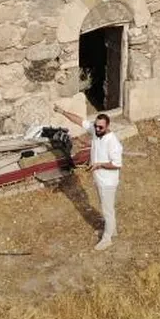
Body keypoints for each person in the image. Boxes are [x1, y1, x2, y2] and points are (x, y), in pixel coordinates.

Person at [54, 106, 122, 250]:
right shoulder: (96, 132)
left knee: (107, 210)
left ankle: (107, 238)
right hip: (99, 179)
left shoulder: (113, 142)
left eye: (100, 127)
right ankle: (112, 230)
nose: (97, 129)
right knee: (107, 208)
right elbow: (80, 121)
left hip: (108, 182)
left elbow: (116, 164)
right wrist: (62, 111)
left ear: (108, 126)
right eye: (96, 126)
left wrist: (99, 165)